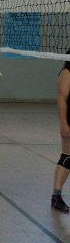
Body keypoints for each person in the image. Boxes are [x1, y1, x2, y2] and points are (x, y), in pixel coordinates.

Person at [52, 53, 70, 212]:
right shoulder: (67, 72)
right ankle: (56, 196)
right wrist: (64, 123)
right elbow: (62, 98)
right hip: (69, 120)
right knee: (67, 157)